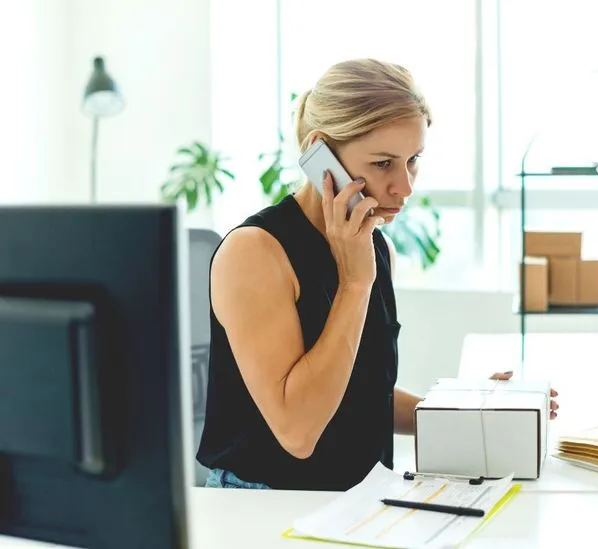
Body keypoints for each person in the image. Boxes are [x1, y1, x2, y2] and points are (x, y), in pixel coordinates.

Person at [196, 58, 559, 491]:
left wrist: (462, 412)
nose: (405, 186)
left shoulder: (367, 241)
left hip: (353, 500)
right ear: (320, 154)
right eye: (384, 163)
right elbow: (298, 431)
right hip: (265, 504)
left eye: (413, 161)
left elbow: (357, 397)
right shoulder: (255, 252)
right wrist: (354, 283)